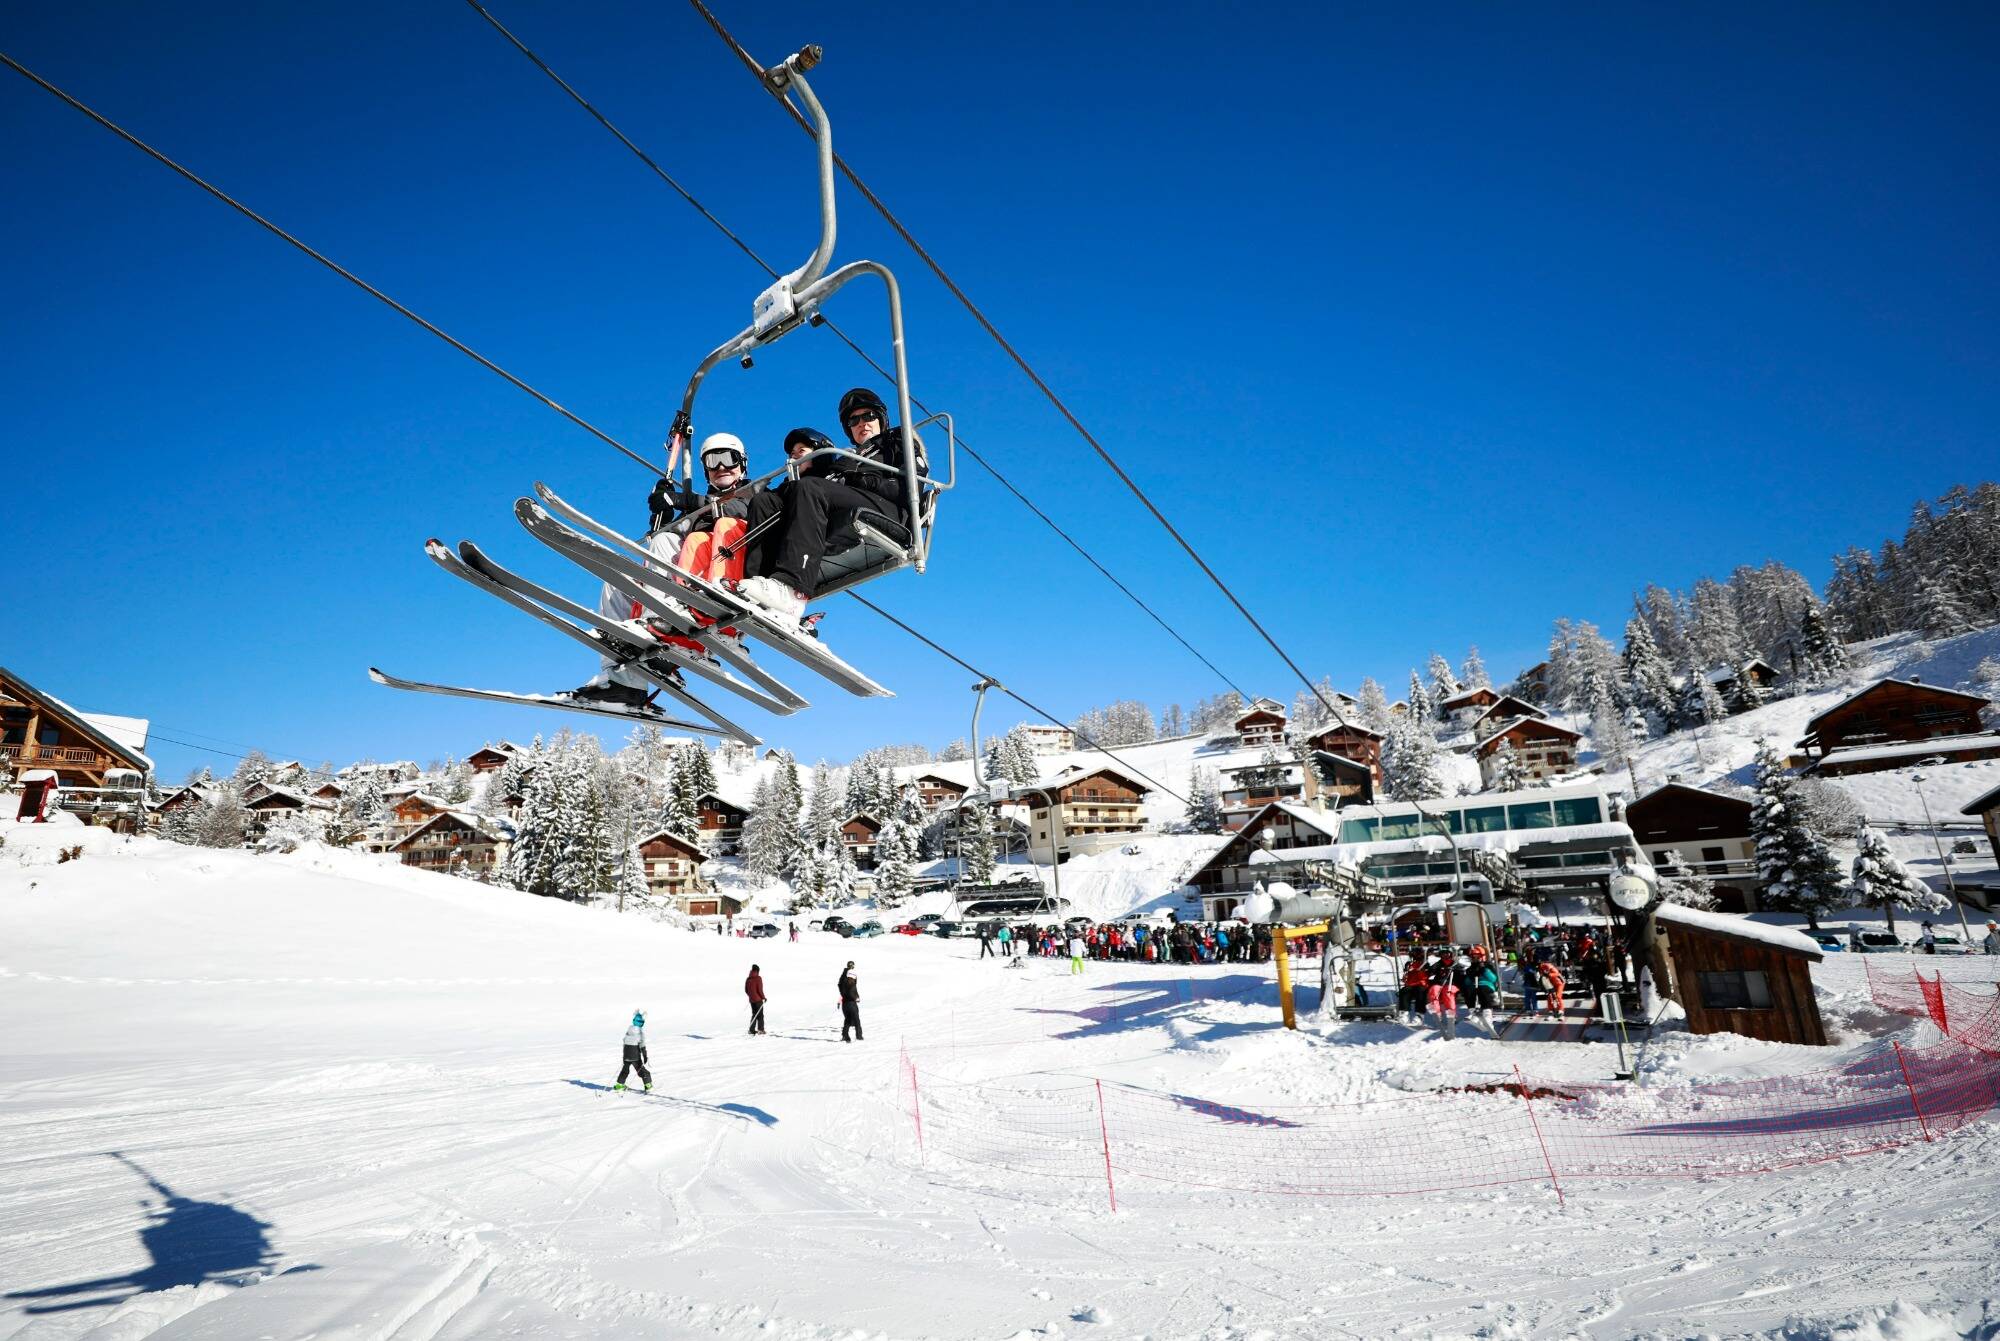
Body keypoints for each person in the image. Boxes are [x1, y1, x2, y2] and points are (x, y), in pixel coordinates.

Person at [578, 432, 759, 707]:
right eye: (712, 461)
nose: (721, 467)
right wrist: (663, 513)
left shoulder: (757, 494)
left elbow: (740, 510)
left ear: (742, 463)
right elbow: (672, 536)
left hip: (726, 574)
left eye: (728, 458)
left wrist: (685, 500)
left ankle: (659, 634)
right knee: (619, 579)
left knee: (666, 542)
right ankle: (622, 679)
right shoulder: (698, 510)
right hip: (686, 575)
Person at [732, 387, 926, 624]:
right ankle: (758, 585)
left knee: (811, 488)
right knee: (765, 502)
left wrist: (864, 479)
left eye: (869, 416)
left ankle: (792, 589)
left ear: (881, 419)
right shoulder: (846, 457)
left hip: (888, 509)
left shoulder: (897, 441)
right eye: (853, 420)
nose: (862, 423)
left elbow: (909, 489)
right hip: (846, 503)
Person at [615, 1009, 652, 1092]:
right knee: (642, 1070)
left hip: (626, 1055)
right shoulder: (640, 1033)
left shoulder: (628, 1031)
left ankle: (619, 1085)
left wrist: (625, 1055)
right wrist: (645, 1056)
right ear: (642, 1023)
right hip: (635, 1056)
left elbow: (624, 1041)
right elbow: (642, 1045)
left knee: (625, 1070)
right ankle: (648, 1085)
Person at [1397, 954, 1429, 1025]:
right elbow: (1406, 975)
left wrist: (1420, 969)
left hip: (1421, 984)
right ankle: (1404, 1013)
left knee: (1421, 992)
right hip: (1411, 984)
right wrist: (1406, 972)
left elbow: (1426, 973)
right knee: (1404, 990)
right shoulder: (1409, 964)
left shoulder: (1425, 964)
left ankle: (1419, 1015)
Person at [837, 961, 863, 1042]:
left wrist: (845, 971)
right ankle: (859, 1036)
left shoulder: (842, 984)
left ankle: (845, 1036)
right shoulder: (852, 984)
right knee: (856, 1020)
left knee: (847, 1020)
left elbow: (839, 983)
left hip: (844, 1003)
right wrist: (856, 997)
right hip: (851, 1003)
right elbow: (853, 991)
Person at [745, 964, 768, 1035]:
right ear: (757, 971)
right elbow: (760, 990)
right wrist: (763, 997)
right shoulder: (758, 978)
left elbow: (746, 990)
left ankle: (751, 1030)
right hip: (758, 1000)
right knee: (760, 1015)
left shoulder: (748, 979)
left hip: (752, 1000)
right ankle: (761, 1030)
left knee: (754, 1014)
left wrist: (751, 996)